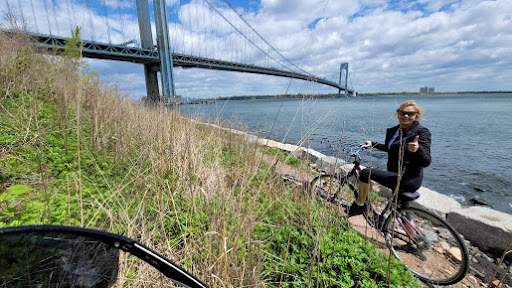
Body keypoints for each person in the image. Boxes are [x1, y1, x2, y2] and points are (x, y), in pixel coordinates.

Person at [347, 100, 431, 217]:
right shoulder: (395, 131)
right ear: (398, 113)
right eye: (403, 112)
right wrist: (373, 144)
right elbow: (391, 148)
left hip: (407, 178)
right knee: (400, 211)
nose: (406, 116)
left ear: (416, 115)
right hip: (395, 174)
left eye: (410, 114)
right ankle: (414, 235)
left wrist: (418, 150)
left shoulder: (421, 132)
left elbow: (426, 161)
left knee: (365, 173)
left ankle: (360, 206)